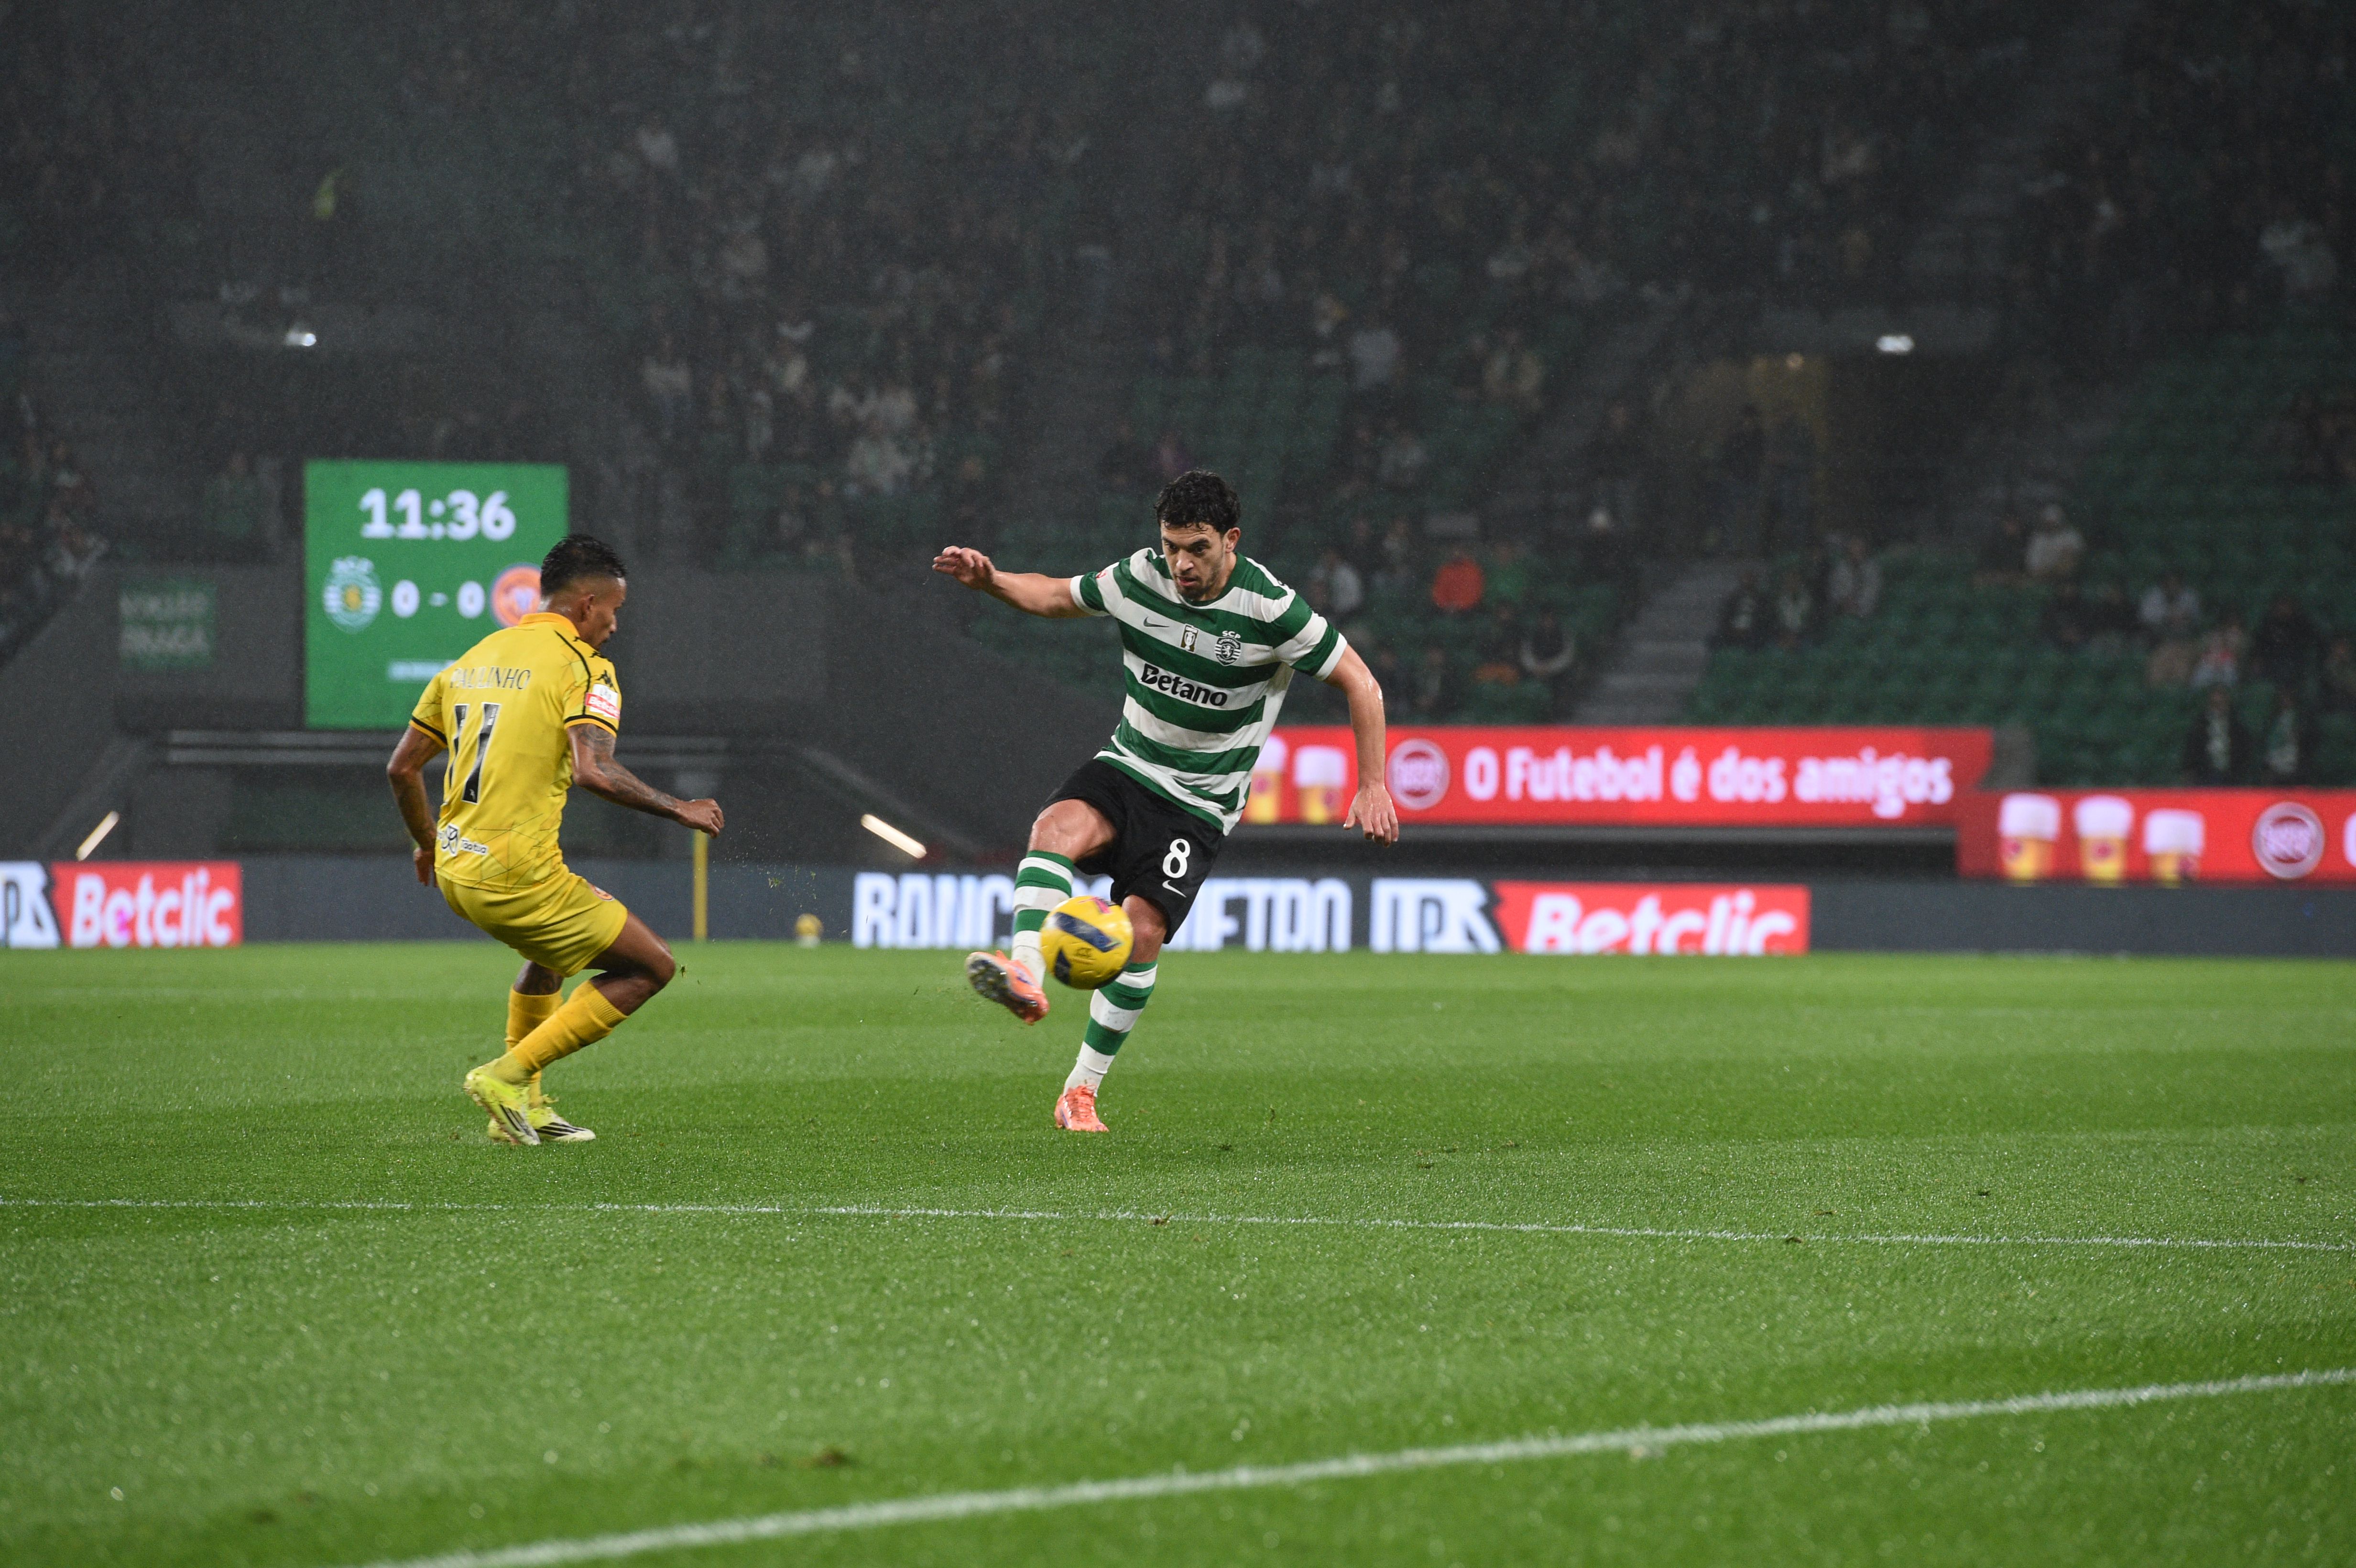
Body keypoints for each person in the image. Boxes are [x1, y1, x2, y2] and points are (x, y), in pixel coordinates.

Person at [933, 470, 1398, 1132]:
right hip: (1128, 766)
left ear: (1230, 541)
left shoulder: (1272, 610)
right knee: (1053, 827)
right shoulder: (1139, 578)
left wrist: (1374, 783)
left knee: (1143, 929)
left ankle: (1080, 1093)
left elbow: (1361, 681)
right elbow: (1057, 597)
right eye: (1172, 545)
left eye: (1198, 548)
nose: (1182, 562)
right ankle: (1026, 974)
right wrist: (993, 581)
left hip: (1199, 805)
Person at [384, 535, 725, 1145]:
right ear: (587, 603)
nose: (615, 626)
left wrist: (428, 842)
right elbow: (595, 770)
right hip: (516, 874)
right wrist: (680, 808)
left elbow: (401, 768)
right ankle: (506, 1077)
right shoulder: (584, 668)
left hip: (459, 869)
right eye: (613, 611)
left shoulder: (474, 657)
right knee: (652, 966)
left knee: (548, 957)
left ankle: (524, 1112)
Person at [2248, 593, 2322, 688]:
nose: (2283, 610)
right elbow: (2259, 645)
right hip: (2272, 661)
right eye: (2281, 606)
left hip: (2296, 662)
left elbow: (2313, 640)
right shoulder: (2268, 625)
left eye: (2286, 606)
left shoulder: (2301, 623)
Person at [2181, 685, 2250, 784]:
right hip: (2206, 774)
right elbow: (2192, 751)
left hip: (2232, 774)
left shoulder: (2237, 725)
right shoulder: (2200, 726)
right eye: (2215, 704)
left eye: (2221, 703)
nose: (2218, 708)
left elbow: (2243, 750)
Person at [2259, 688, 2313, 785]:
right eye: (2282, 699)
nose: (2284, 701)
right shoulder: (2272, 719)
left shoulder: (2299, 718)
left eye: (2287, 698)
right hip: (2275, 762)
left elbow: (2304, 738)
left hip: (2292, 761)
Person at [2023, 503, 2083, 582]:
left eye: (2054, 522)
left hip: (2068, 579)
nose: (2051, 525)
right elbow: (2033, 567)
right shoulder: (2038, 539)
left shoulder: (2071, 536)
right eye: (2048, 523)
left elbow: (2073, 561)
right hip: (2042, 580)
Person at [1827, 535, 1881, 619]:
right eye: (1854, 546)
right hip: (1841, 611)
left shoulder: (1872, 569)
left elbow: (1872, 591)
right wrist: (1844, 601)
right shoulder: (1840, 568)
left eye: (1859, 546)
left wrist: (1858, 604)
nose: (1856, 549)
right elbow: (1835, 588)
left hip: (1864, 614)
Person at [1714, 568, 1768, 649]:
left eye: (1751, 578)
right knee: (1715, 640)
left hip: (1752, 633)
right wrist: (1732, 630)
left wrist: (1748, 631)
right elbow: (1725, 617)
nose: (1748, 581)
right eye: (1746, 578)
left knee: (1756, 642)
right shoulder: (1733, 598)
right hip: (1733, 631)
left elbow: (1763, 620)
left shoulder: (1761, 600)